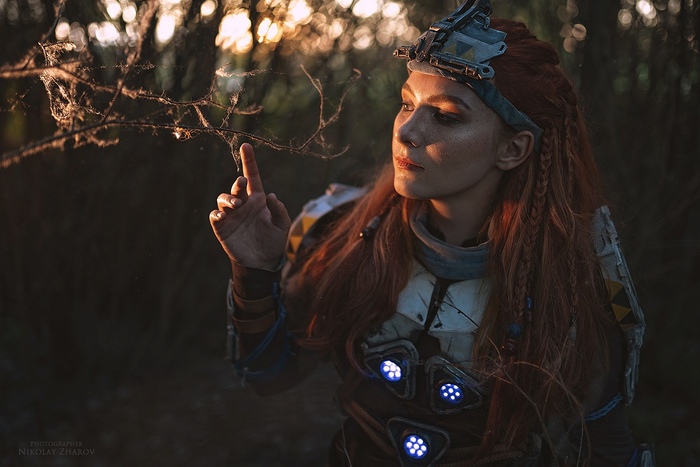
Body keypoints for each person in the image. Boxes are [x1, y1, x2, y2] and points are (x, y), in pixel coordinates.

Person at [209, 1, 651, 465]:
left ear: (513, 148)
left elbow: (606, 448)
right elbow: (268, 375)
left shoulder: (572, 281)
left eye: (445, 116)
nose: (408, 131)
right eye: (407, 103)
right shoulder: (343, 232)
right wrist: (254, 269)